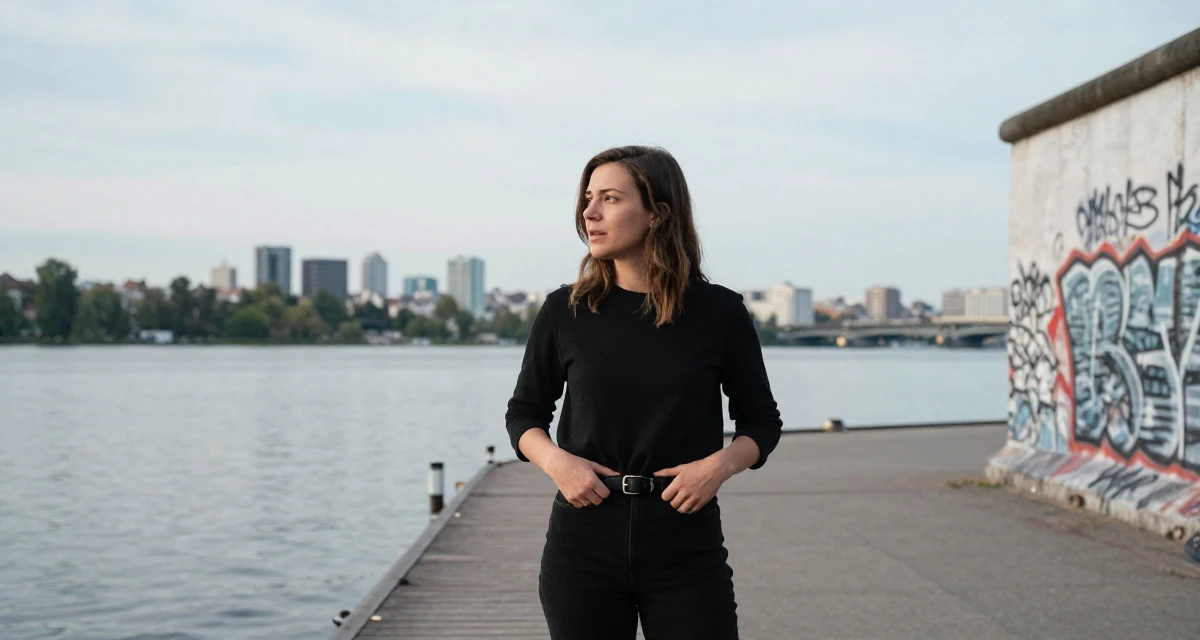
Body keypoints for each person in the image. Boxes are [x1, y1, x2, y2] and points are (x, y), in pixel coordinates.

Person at [504, 145, 783, 640]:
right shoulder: (562, 312)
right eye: (588, 198)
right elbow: (524, 415)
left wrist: (718, 466)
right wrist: (557, 463)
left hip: (685, 543)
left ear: (658, 213)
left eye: (609, 198)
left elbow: (762, 421)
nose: (590, 212)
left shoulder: (720, 314)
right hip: (582, 543)